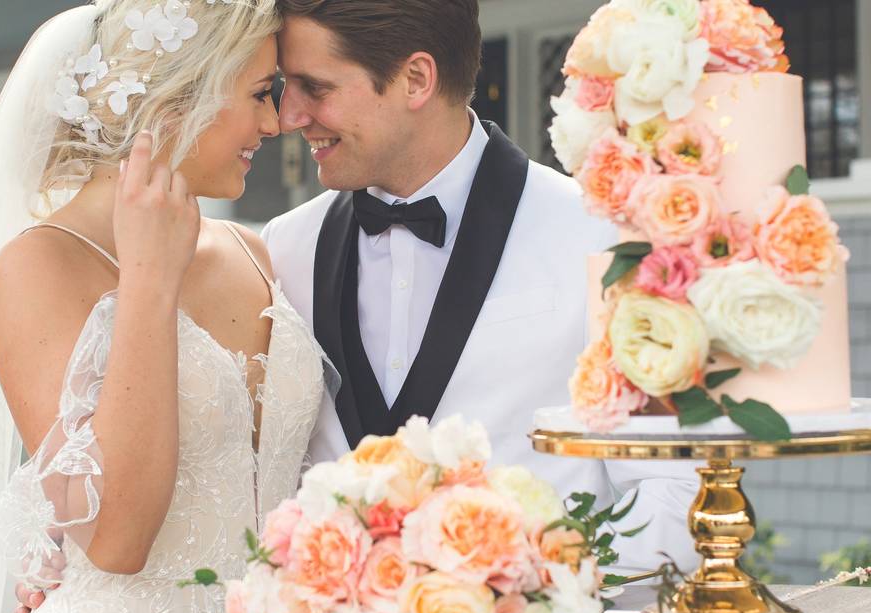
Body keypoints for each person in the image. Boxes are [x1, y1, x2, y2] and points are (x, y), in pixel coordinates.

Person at [0, 0, 335, 613]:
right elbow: (116, 538)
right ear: (174, 102)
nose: (275, 123)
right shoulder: (39, 266)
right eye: (258, 94)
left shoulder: (253, 250)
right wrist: (147, 283)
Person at [262, 0, 701, 576]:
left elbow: (672, 496)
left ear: (415, 79)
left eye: (313, 87)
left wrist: (523, 595)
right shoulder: (282, 247)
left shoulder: (602, 236)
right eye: (280, 87)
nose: (288, 116)